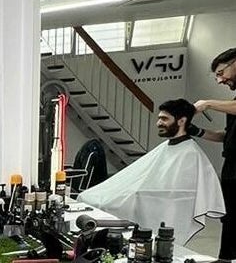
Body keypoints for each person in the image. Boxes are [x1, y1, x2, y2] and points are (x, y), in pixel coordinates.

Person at [77, 99, 223, 243]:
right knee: (88, 197)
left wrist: (137, 194)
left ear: (181, 121)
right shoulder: (169, 147)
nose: (159, 123)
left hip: (158, 206)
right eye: (159, 119)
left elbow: (177, 194)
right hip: (142, 197)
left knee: (108, 203)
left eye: (164, 119)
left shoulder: (190, 153)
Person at [192, 48, 236, 259]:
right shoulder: (232, 103)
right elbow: (225, 136)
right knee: (229, 222)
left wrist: (208, 103)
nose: (220, 80)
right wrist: (196, 131)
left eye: (221, 73)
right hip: (231, 170)